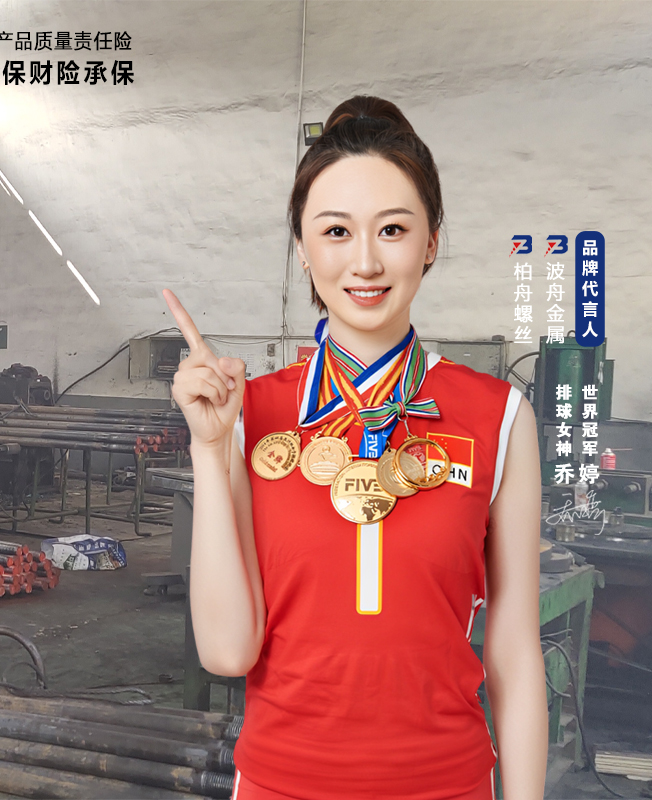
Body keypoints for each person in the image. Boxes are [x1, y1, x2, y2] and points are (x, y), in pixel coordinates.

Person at [163, 96, 546, 800]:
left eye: (393, 229)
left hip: (448, 785)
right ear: (303, 248)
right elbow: (227, 651)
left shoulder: (499, 418)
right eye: (336, 231)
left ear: (431, 242)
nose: (365, 262)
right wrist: (210, 451)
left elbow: (515, 656)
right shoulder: (251, 415)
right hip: (281, 784)